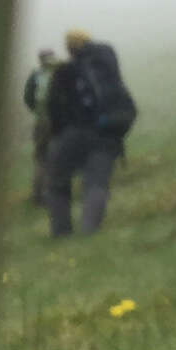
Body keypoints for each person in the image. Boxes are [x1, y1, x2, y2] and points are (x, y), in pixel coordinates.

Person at [46, 29, 138, 238]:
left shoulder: (64, 72)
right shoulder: (106, 64)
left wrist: (58, 135)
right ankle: (89, 231)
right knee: (97, 184)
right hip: (108, 134)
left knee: (57, 183)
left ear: (70, 47)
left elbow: (53, 108)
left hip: (73, 134)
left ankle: (61, 233)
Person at [22, 47, 59, 206]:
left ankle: (38, 195)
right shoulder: (60, 74)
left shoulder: (35, 75)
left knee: (41, 157)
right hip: (60, 120)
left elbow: (28, 98)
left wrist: (38, 112)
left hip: (41, 121)